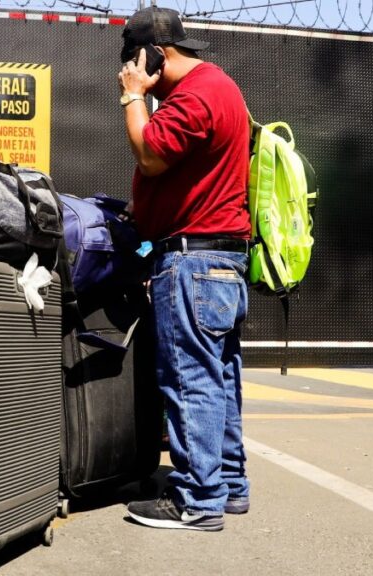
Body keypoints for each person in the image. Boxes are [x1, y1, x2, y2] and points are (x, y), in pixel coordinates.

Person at [117, 7, 250, 532]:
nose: (128, 68)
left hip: (194, 261)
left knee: (191, 379)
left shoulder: (195, 93)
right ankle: (228, 486)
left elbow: (150, 154)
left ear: (153, 54)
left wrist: (133, 96)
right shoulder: (218, 88)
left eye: (133, 58)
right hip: (219, 260)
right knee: (218, 379)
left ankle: (197, 500)